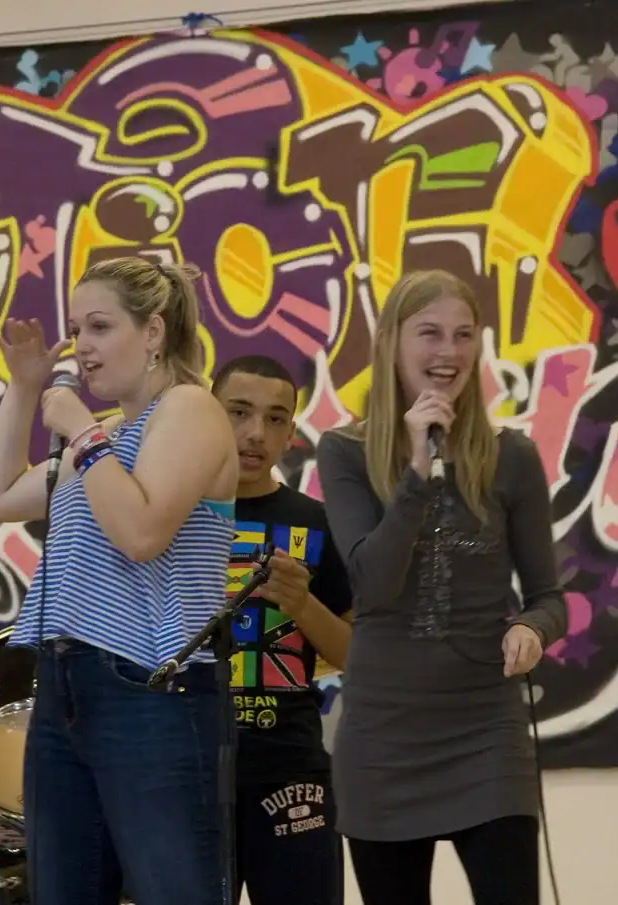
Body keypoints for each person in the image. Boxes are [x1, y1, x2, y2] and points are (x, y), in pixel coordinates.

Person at [0, 257, 239, 905]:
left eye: (98, 326)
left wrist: (83, 434)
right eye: (75, 329)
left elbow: (142, 532)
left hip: (150, 688)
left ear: (152, 332)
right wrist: (25, 387)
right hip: (66, 685)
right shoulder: (106, 434)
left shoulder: (190, 408)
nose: (80, 347)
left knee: (174, 888)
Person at [314, 269, 568, 905]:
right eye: (429, 333)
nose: (448, 352)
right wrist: (418, 469)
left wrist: (531, 628)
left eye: (463, 335)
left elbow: (548, 598)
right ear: (393, 343)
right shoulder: (344, 452)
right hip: (383, 739)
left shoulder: (511, 457)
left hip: (486, 730)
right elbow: (371, 583)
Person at [211, 355, 352, 905]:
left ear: (292, 432)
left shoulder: (317, 522)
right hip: (187, 770)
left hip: (291, 769)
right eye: (238, 412)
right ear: (206, 413)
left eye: (275, 419)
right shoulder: (171, 514)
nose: (255, 433)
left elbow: (355, 655)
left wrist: (302, 604)